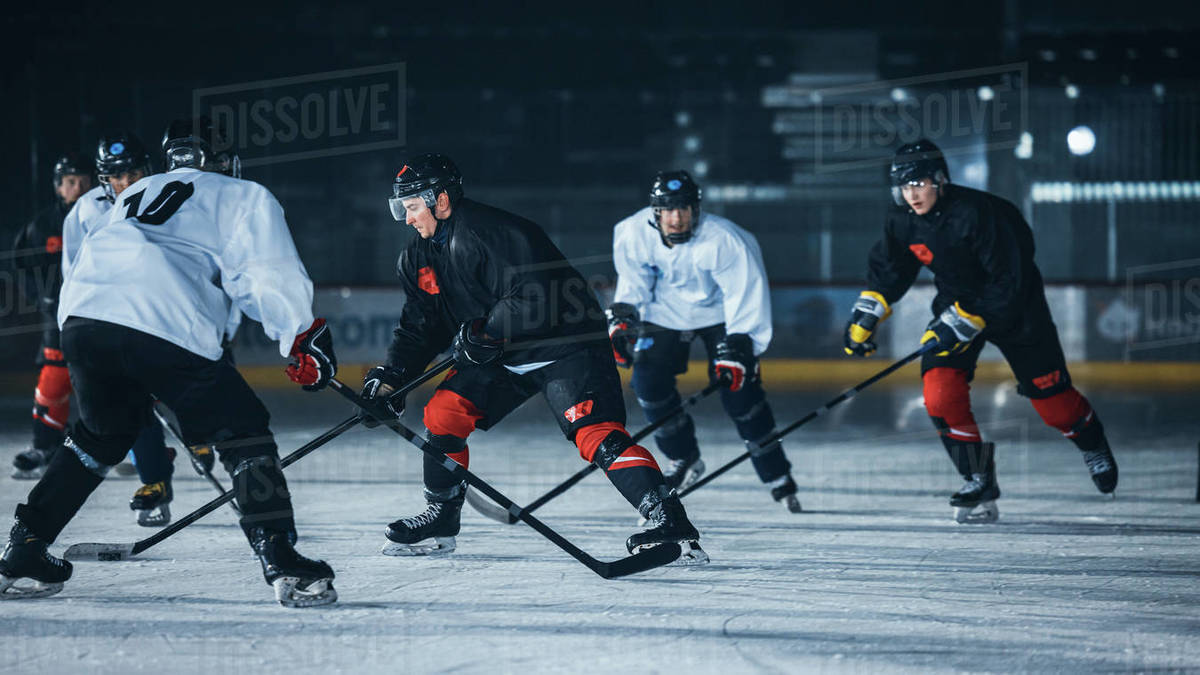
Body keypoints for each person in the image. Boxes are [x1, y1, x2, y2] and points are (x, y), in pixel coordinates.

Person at [0, 117, 339, 607]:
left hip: (84, 320)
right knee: (242, 429)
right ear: (221, 159)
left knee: (100, 435)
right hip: (160, 317)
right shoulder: (239, 194)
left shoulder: (137, 192)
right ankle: (281, 557)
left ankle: (25, 547)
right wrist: (301, 337)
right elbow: (264, 274)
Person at [357, 153, 706, 563]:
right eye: (402, 209)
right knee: (443, 413)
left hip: (565, 344)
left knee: (593, 432)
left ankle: (668, 518)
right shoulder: (416, 259)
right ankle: (442, 519)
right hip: (503, 351)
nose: (408, 218)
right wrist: (392, 377)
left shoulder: (495, 232)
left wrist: (486, 332)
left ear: (442, 201)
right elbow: (420, 325)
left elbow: (537, 295)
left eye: (413, 207)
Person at [843, 139, 1118, 523]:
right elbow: (891, 269)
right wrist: (867, 313)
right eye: (904, 187)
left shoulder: (982, 214)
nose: (912, 194)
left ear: (940, 180)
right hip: (956, 306)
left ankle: (1092, 443)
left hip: (1018, 310)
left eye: (919, 184)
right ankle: (978, 478)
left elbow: (1010, 280)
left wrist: (964, 320)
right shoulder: (902, 219)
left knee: (1054, 404)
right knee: (939, 394)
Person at [608, 170, 801, 512]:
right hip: (665, 311)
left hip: (722, 314)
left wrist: (742, 344)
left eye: (683, 209)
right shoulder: (632, 232)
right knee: (647, 382)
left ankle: (776, 474)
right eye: (667, 210)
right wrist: (624, 318)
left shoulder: (726, 239)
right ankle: (683, 458)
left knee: (742, 395)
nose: (676, 218)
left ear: (696, 209)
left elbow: (745, 293)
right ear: (655, 212)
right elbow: (633, 282)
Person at [57, 132, 186, 526]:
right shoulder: (85, 211)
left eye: (133, 173)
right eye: (117, 176)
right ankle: (156, 482)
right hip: (108, 320)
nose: (127, 182)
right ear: (104, 180)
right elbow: (72, 270)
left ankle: (204, 446)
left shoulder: (172, 198)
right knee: (129, 406)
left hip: (164, 314)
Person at [10, 153, 91, 479]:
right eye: (71, 181)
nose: (79, 187)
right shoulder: (42, 225)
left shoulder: (108, 217)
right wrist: (42, 298)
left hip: (103, 316)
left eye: (84, 180)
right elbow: (21, 267)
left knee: (114, 378)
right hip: (57, 318)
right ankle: (46, 445)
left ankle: (135, 446)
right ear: (59, 187)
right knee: (53, 382)